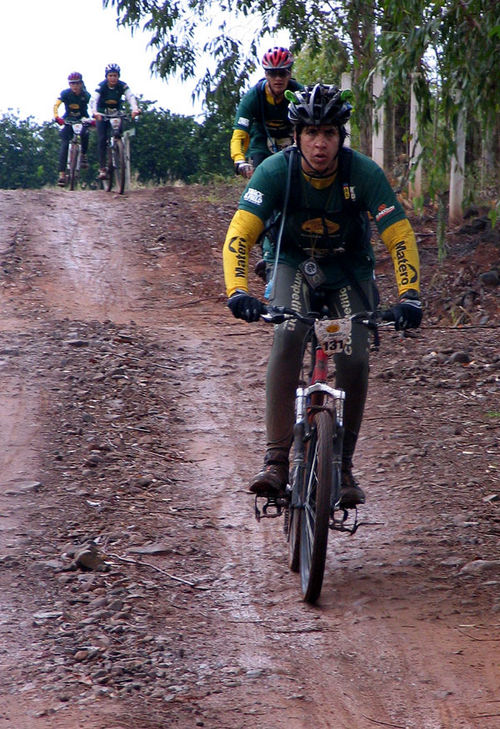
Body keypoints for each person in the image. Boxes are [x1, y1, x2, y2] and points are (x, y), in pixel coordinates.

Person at [223, 83, 422, 508]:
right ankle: (276, 461)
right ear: (296, 136)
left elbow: (399, 234)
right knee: (290, 330)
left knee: (355, 355)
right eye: (311, 133)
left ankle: (343, 466)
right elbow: (241, 233)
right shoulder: (275, 171)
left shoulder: (362, 173)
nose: (319, 143)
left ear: (341, 137)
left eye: (329, 133)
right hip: (291, 261)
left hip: (348, 268)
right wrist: (238, 291)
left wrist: (410, 295)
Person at [230, 47, 303, 179]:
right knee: (260, 178)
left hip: (291, 139)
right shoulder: (253, 97)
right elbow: (240, 133)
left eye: (283, 73)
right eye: (273, 74)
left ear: (290, 73)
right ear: (266, 75)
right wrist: (239, 160)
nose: (278, 79)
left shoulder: (299, 93)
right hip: (262, 141)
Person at [91, 63, 140, 180]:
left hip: (116, 113)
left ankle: (118, 152)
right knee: (102, 139)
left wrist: (135, 109)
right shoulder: (101, 86)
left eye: (115, 76)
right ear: (106, 76)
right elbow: (94, 99)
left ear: (118, 76)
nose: (113, 78)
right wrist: (94, 112)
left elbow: (131, 97)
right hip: (102, 114)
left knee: (119, 133)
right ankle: (102, 168)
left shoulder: (122, 86)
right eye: (111, 75)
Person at [53, 72, 91, 186]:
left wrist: (95, 117)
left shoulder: (86, 95)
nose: (75, 86)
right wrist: (56, 117)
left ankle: (83, 155)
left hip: (82, 118)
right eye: (72, 84)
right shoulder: (65, 94)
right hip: (68, 120)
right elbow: (56, 105)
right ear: (69, 85)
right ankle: (62, 175)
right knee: (64, 144)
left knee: (85, 134)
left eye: (77, 83)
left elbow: (94, 105)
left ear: (81, 84)